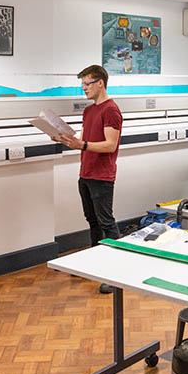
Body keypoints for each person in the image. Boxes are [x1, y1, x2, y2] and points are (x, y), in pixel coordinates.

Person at [55, 65, 122, 294]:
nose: (84, 88)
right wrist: (68, 139)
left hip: (102, 176)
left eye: (87, 83)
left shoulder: (111, 110)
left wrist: (81, 144)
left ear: (100, 83)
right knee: (92, 221)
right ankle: (96, 263)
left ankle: (115, 274)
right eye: (82, 84)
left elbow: (110, 145)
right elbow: (84, 138)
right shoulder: (89, 111)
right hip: (85, 173)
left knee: (106, 222)